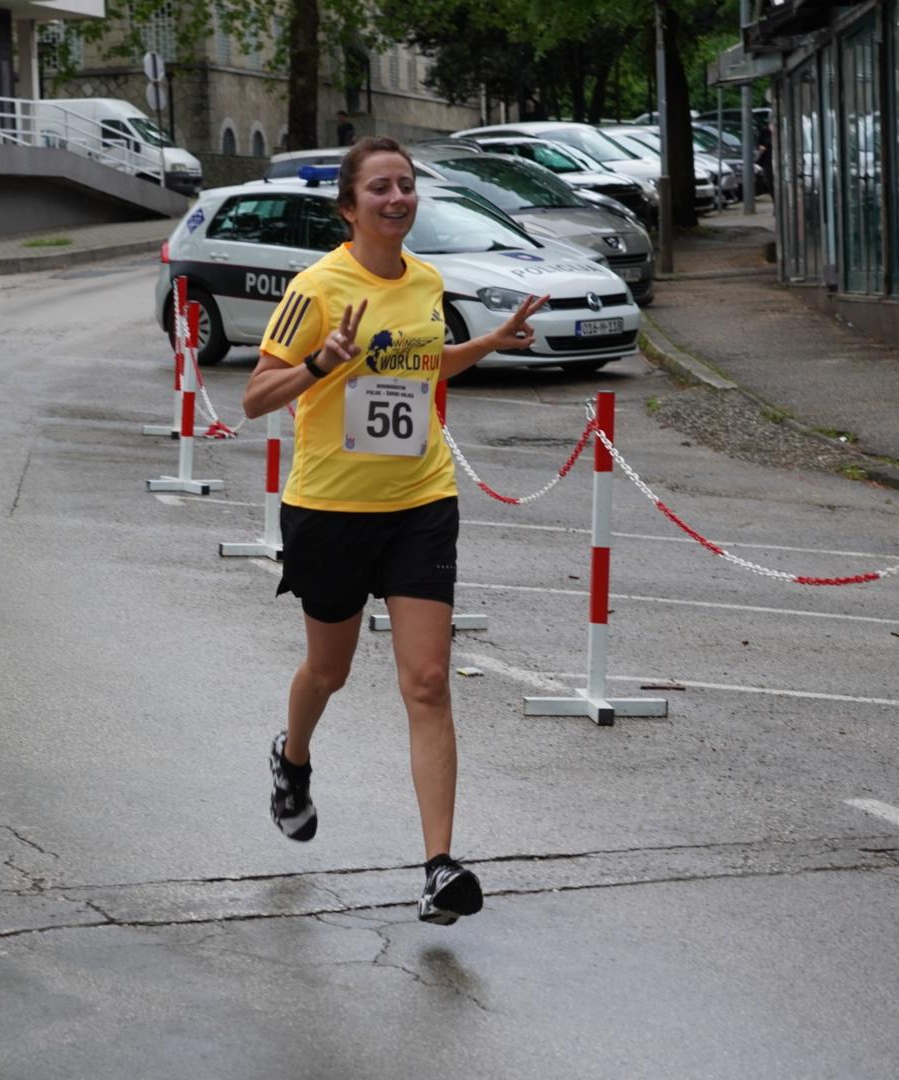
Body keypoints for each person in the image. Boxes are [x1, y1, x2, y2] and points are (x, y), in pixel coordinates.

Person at [241, 136, 546, 925]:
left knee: (428, 681)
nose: (397, 197)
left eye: (406, 185)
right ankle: (293, 758)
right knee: (328, 671)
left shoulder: (428, 281)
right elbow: (254, 397)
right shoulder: (315, 289)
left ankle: (439, 868)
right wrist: (321, 364)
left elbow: (423, 367)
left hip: (419, 501)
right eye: (380, 187)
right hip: (331, 509)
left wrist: (488, 343)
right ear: (350, 207)